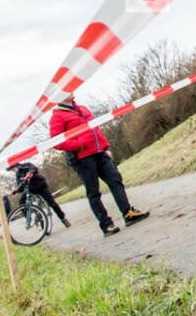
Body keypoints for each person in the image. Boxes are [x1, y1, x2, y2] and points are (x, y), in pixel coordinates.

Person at [50, 98, 149, 236]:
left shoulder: (82, 108)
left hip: (99, 152)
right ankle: (106, 225)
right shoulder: (57, 115)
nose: (71, 91)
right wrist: (79, 144)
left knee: (115, 179)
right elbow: (56, 142)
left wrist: (106, 146)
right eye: (67, 90)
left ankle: (128, 214)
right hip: (82, 158)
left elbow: (95, 129)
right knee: (93, 192)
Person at [12, 161, 71, 228]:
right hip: (31, 189)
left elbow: (34, 168)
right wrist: (16, 190)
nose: (14, 170)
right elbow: (20, 187)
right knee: (21, 201)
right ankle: (28, 218)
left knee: (51, 202)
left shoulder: (27, 165)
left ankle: (62, 218)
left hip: (40, 186)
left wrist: (31, 173)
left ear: (17, 166)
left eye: (14, 168)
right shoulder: (17, 175)